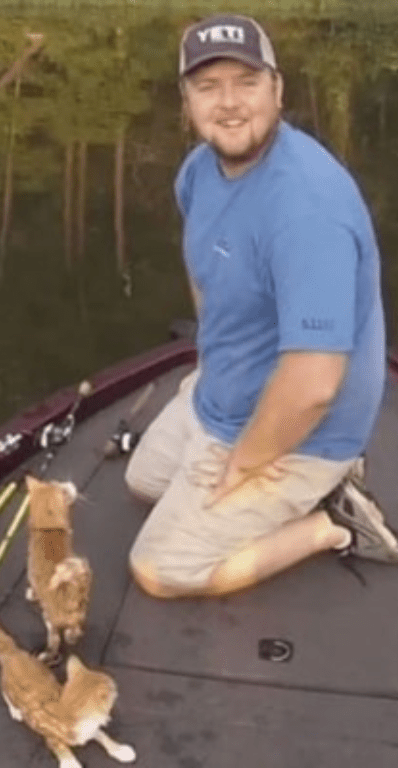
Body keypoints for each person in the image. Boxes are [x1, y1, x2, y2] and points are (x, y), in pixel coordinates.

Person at [124, 13, 398, 599]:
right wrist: (211, 355)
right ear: (186, 99)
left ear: (277, 88)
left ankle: (334, 523)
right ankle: (283, 483)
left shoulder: (307, 209)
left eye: (246, 82)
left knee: (159, 570)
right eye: (208, 86)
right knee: (142, 483)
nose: (229, 103)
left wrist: (246, 462)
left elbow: (315, 382)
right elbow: (205, 263)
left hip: (306, 427)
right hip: (226, 392)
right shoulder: (198, 171)